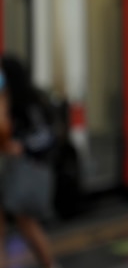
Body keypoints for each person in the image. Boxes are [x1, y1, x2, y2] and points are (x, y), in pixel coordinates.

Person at [0, 55, 58, 268]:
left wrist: (22, 146)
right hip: (8, 170)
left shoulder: (27, 103)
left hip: (19, 171)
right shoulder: (9, 99)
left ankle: (49, 264)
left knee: (26, 223)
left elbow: (45, 137)